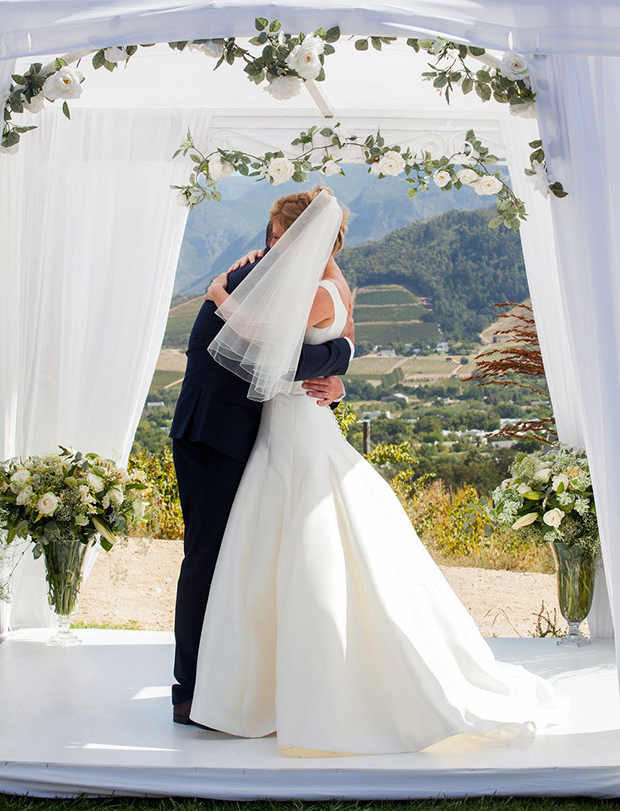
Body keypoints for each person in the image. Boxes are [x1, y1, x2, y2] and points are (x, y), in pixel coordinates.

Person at [189, 186, 565, 755]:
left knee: (297, 550)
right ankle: (276, 684)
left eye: (277, 235)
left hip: (295, 428)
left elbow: (261, 341)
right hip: (297, 423)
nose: (270, 244)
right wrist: (340, 367)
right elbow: (345, 340)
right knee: (289, 547)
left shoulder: (312, 289)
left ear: (297, 236)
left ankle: (299, 688)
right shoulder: (339, 284)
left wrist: (220, 293)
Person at [169, 212, 354, 726]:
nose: (269, 244)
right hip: (215, 436)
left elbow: (311, 342)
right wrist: (339, 356)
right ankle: (189, 690)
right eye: (268, 235)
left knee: (250, 561)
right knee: (208, 559)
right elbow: (272, 359)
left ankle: (250, 680)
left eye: (278, 235)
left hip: (258, 435)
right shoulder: (246, 279)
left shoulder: (295, 281)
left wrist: (341, 361)